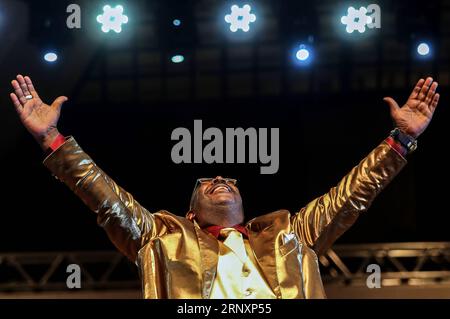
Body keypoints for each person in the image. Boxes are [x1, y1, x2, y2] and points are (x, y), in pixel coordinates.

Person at [9, 75, 440, 299]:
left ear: (244, 204)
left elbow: (353, 196)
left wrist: (400, 140)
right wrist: (52, 139)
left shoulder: (291, 233)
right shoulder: (160, 236)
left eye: (230, 180)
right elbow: (102, 196)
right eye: (207, 180)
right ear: (191, 211)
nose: (221, 180)